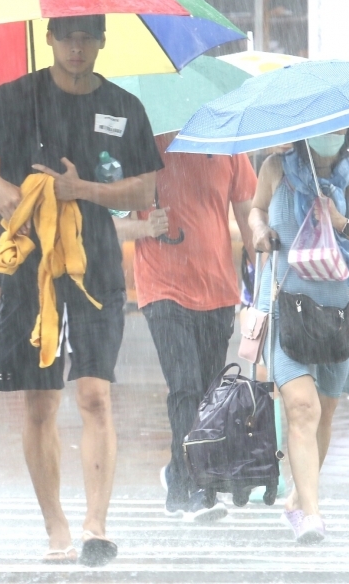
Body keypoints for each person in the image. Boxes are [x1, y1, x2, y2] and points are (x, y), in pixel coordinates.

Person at [0, 15, 162, 567]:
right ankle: (57, 526)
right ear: (48, 37)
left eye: (87, 36)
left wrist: (84, 189)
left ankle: (97, 523)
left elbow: (146, 185)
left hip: (95, 266)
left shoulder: (124, 107)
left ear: (101, 40)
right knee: (40, 403)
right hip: (29, 265)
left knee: (95, 394)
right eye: (66, 35)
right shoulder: (14, 97)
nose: (77, 46)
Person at [113, 131, 256, 521]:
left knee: (210, 396)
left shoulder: (228, 143)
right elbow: (106, 225)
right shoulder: (139, 146)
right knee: (186, 387)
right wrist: (144, 228)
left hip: (218, 289)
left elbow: (248, 214)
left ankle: (178, 475)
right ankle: (196, 488)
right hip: (163, 287)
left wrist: (264, 268)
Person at [249, 131, 349, 543]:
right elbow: (256, 210)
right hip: (285, 303)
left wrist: (340, 223)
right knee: (301, 407)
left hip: (338, 308)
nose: (327, 137)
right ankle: (311, 515)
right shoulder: (276, 167)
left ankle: (299, 497)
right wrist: (259, 230)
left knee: (324, 412)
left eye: (335, 130)